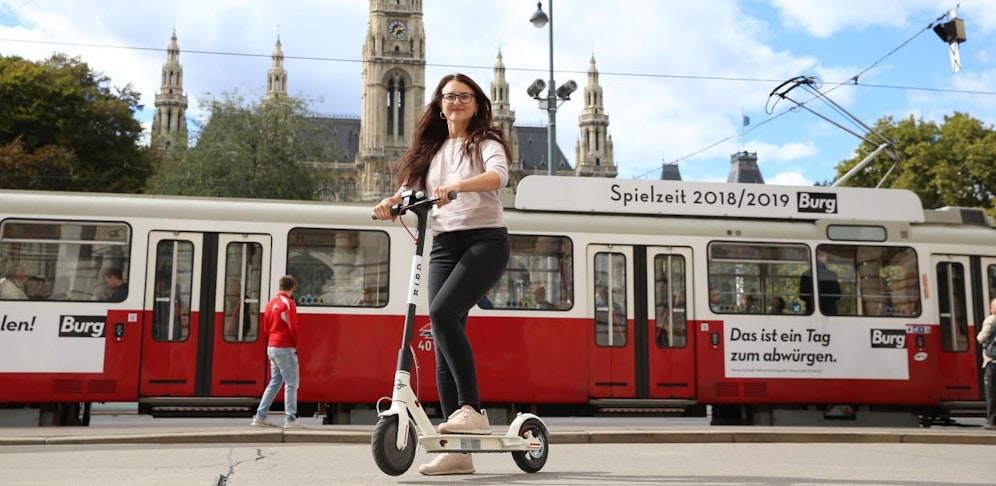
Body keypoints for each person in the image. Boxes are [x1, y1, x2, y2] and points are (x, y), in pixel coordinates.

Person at [373, 73, 511, 476]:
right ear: (439, 104)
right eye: (449, 97)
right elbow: (407, 191)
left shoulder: (486, 142)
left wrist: (460, 186)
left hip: (485, 241)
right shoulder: (429, 151)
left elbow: (499, 176)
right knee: (441, 329)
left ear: (476, 103)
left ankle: (473, 410)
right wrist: (391, 201)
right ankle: (458, 451)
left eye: (464, 97)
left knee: (442, 314)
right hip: (445, 244)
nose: (455, 103)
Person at [252, 275, 303, 429]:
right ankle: (290, 419)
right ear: (293, 287)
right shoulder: (289, 303)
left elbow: (266, 327)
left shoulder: (271, 303)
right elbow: (293, 328)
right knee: (291, 383)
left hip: (272, 346)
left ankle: (260, 416)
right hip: (285, 346)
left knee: (274, 382)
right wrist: (295, 344)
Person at [977, 297, 996, 430]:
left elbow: (981, 337)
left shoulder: (991, 320)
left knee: (992, 393)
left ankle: (992, 422)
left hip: (992, 362)